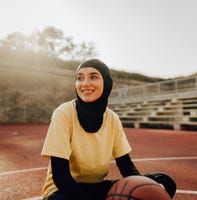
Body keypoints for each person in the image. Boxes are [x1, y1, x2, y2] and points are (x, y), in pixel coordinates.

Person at [41, 59, 176, 200]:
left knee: (164, 182)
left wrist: (144, 184)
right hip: (63, 189)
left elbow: (125, 165)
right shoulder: (64, 113)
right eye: (79, 78)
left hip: (96, 186)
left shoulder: (112, 118)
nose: (85, 83)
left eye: (93, 77)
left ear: (106, 83)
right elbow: (60, 175)